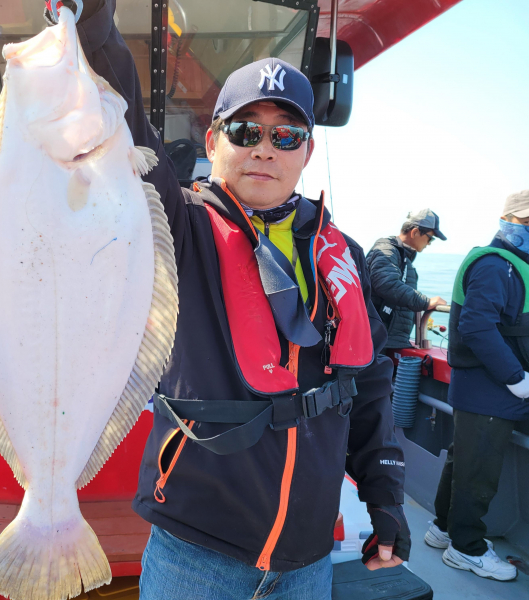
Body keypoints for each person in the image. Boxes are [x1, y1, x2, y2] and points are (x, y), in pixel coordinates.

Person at [63, 2, 410, 598]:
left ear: (305, 150)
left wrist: (386, 499)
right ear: (213, 139)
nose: (264, 149)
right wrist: (91, 21)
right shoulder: (178, 225)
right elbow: (122, 124)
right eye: (246, 131)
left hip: (310, 559)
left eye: (286, 135)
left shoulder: (343, 252)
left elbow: (369, 382)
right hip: (194, 552)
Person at [424, 191, 529, 582]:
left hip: (484, 388)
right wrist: (517, 380)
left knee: (464, 460)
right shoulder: (494, 266)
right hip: (492, 389)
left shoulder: (510, 266)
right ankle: (466, 549)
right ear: (510, 222)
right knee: (478, 470)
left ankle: (443, 528)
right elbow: (477, 326)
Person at [366, 210, 448, 349]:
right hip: (374, 341)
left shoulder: (403, 256)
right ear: (415, 232)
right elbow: (387, 284)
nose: (429, 244)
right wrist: (425, 302)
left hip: (387, 341)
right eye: (430, 238)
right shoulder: (387, 249)